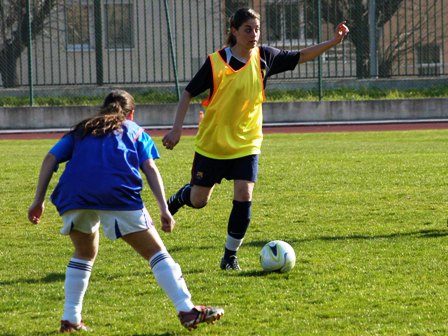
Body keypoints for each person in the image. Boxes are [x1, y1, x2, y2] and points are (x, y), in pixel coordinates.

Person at [162, 8, 349, 271]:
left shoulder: (264, 58)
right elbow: (187, 93)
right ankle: (183, 196)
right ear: (234, 31)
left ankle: (229, 257)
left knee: (244, 193)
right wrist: (176, 129)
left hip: (247, 143)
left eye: (257, 29)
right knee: (199, 200)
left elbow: (301, 56)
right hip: (213, 144)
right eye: (248, 29)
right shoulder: (216, 62)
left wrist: (333, 42)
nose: (254, 35)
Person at [27, 90, 224, 333]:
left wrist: (38, 200)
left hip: (73, 195)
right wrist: (164, 208)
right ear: (131, 113)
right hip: (116, 194)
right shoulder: (135, 130)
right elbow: (150, 168)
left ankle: (70, 319)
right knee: (155, 252)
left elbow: (50, 158)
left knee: (83, 253)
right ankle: (186, 309)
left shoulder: (82, 130)